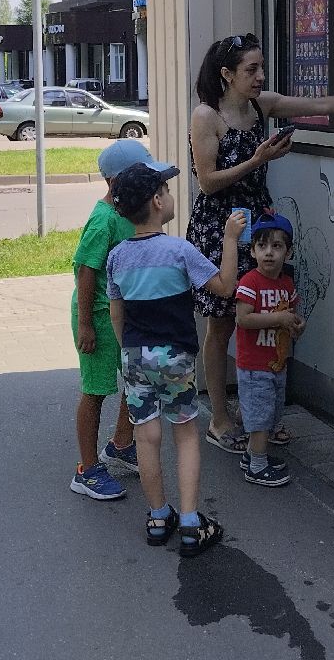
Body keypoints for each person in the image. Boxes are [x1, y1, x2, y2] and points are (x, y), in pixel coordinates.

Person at [186, 32, 334, 453]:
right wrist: (257, 160)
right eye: (251, 70)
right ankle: (219, 419)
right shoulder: (206, 116)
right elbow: (207, 183)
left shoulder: (261, 106)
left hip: (259, 229)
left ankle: (259, 415)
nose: (261, 76)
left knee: (266, 314)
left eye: (262, 67)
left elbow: (320, 106)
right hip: (221, 230)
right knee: (222, 324)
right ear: (227, 74)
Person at [106, 160, 244, 557]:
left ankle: (156, 517)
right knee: (185, 436)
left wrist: (130, 351)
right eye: (165, 191)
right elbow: (225, 287)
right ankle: (189, 523)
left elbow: (117, 313)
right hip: (176, 358)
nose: (169, 196)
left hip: (135, 357)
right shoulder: (179, 250)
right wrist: (230, 238)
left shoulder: (117, 257)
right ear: (157, 201)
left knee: (146, 438)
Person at [67, 140, 156, 502]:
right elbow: (85, 271)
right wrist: (86, 325)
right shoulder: (103, 220)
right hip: (99, 319)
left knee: (134, 379)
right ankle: (87, 470)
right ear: (117, 181)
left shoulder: (127, 213)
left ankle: (121, 444)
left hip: (121, 317)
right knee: (96, 390)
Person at [234, 212, 305, 487]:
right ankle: (257, 466)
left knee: (272, 412)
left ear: (288, 252)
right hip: (254, 366)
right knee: (260, 417)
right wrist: (278, 319)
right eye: (262, 246)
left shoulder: (286, 284)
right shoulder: (250, 282)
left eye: (277, 246)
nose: (269, 252)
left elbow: (291, 314)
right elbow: (243, 319)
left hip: (276, 362)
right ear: (252, 251)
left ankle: (252, 455)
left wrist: (297, 324)